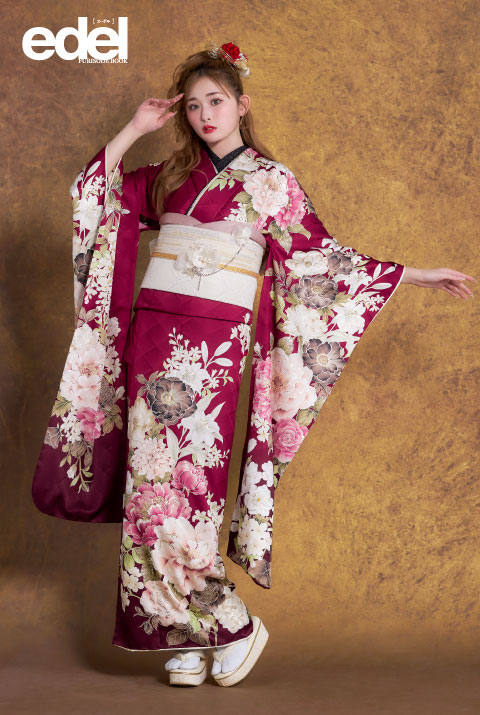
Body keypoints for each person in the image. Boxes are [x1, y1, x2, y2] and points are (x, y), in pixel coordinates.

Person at [31, 41, 476, 688]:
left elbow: (324, 262)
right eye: (193, 106)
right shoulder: (168, 176)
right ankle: (189, 631)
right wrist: (132, 128)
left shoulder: (272, 182)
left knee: (190, 483)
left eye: (216, 101)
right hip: (152, 337)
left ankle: (231, 622)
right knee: (147, 487)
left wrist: (415, 274)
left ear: (242, 105)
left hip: (209, 347)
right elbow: (92, 197)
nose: (205, 115)